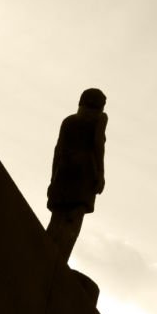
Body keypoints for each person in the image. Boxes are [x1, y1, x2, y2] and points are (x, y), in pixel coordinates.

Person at [46, 87, 107, 262]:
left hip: (63, 172)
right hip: (85, 173)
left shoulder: (68, 121)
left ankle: (47, 254)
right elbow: (98, 145)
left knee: (56, 220)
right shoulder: (100, 119)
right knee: (73, 219)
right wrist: (101, 173)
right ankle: (59, 261)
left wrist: (53, 178)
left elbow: (58, 150)